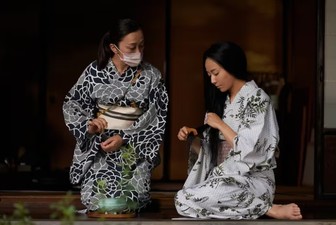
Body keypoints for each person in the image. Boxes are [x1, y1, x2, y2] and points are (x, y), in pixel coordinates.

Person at [175, 41, 302, 220]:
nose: (212, 80)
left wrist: (220, 125)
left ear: (231, 67)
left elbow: (252, 151)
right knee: (182, 199)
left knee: (216, 191)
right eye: (209, 74)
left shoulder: (258, 99)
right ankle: (240, 209)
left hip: (253, 181)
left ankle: (269, 208)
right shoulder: (222, 102)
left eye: (216, 73)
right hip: (222, 180)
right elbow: (211, 150)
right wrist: (195, 137)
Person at [62, 18, 169, 213]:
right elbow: (72, 103)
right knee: (97, 202)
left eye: (142, 45)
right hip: (100, 148)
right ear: (114, 48)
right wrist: (90, 124)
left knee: (129, 201)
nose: (139, 52)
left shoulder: (152, 76)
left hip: (133, 150)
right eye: (132, 47)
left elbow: (157, 117)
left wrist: (124, 137)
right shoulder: (94, 72)